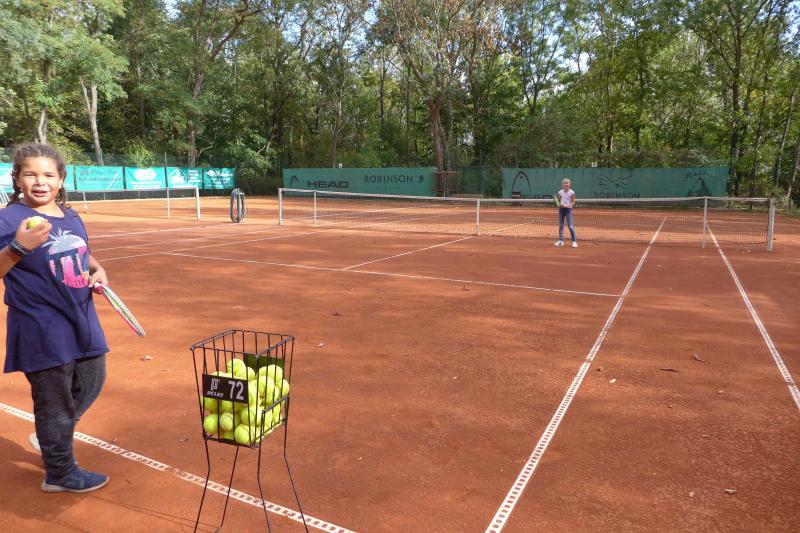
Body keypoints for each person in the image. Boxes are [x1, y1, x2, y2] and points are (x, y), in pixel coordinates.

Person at [0, 143, 110, 493]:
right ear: (17, 178)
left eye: (48, 174)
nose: (40, 181)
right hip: (40, 325)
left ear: (61, 179)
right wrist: (18, 246)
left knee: (92, 378)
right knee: (54, 400)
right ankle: (59, 472)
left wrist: (98, 270)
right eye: (30, 174)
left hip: (81, 317)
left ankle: (50, 434)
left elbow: (83, 253)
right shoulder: (8, 220)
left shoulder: (71, 216)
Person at [554, 178, 578, 248]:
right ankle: (561, 241)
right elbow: (559, 201)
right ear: (562, 184)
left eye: (567, 183)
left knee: (570, 226)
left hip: (568, 210)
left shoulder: (572, 192)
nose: (565, 184)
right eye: (564, 183)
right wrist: (560, 205)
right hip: (561, 210)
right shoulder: (560, 192)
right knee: (561, 225)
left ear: (569, 184)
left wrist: (569, 205)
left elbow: (573, 202)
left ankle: (574, 242)